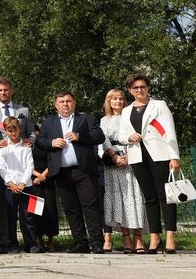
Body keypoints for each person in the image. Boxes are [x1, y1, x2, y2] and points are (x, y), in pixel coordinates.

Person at [37, 90, 105, 254]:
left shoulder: (86, 119)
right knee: (71, 208)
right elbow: (40, 141)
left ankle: (96, 243)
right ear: (56, 105)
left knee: (90, 206)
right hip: (61, 172)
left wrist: (80, 136)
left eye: (68, 101)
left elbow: (99, 136)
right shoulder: (48, 123)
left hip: (84, 170)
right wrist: (52, 142)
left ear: (74, 103)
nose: (65, 104)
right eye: (61, 102)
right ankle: (80, 242)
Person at [121, 74, 180, 253]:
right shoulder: (126, 111)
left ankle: (170, 236)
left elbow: (170, 130)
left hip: (160, 155)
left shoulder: (159, 105)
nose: (140, 90)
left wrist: (174, 156)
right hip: (138, 156)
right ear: (130, 90)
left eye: (143, 86)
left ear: (148, 88)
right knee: (150, 198)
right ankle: (155, 237)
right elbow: (122, 135)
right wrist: (129, 137)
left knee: (166, 196)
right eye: (135, 87)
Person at [0, 78, 33, 253]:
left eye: (6, 90)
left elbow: (32, 131)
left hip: (22, 161)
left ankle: (31, 241)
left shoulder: (23, 110)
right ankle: (5, 242)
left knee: (26, 208)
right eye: (0, 90)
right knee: (3, 204)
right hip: (0, 162)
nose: (3, 93)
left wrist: (30, 141)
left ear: (11, 91)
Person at [99, 88, 146, 253]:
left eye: (120, 98)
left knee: (136, 197)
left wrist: (127, 156)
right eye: (114, 99)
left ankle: (138, 236)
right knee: (120, 199)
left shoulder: (130, 115)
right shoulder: (104, 121)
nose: (118, 101)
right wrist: (115, 157)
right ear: (109, 102)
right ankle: (125, 236)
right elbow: (104, 141)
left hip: (133, 159)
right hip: (113, 164)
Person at [0, 116, 39, 254]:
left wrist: (22, 182)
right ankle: (13, 244)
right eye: (9, 131)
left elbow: (29, 166)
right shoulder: (4, 146)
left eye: (15, 130)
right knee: (11, 216)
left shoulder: (26, 146)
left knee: (29, 215)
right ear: (6, 131)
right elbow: (2, 168)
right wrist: (10, 183)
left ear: (19, 129)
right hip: (10, 187)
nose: (13, 134)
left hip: (26, 186)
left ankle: (31, 243)